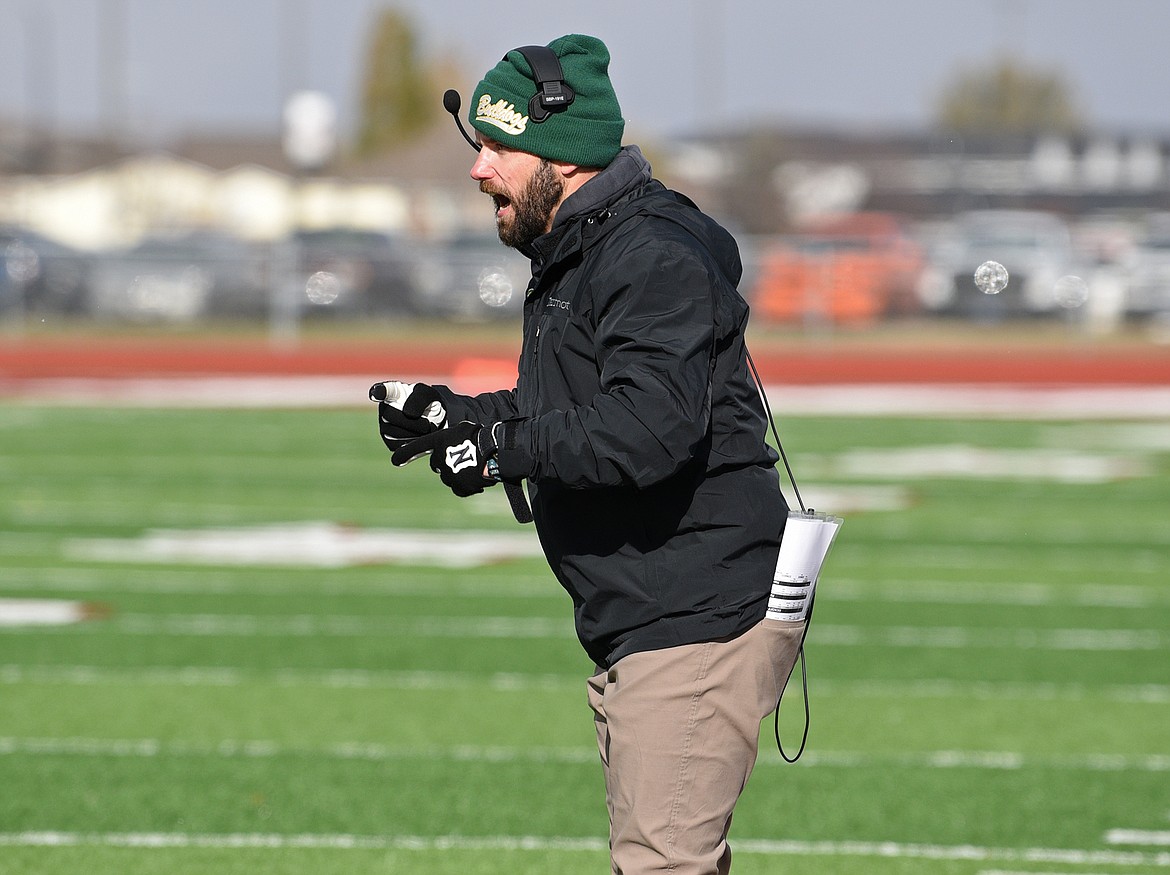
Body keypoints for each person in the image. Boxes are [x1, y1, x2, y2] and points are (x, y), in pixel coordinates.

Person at [374, 33, 804, 875]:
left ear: (560, 158)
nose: (477, 168)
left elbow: (649, 428)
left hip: (695, 616)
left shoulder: (649, 256)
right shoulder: (588, 246)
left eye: (497, 147)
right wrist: (458, 417)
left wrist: (502, 451)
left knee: (661, 865)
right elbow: (574, 409)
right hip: (652, 616)